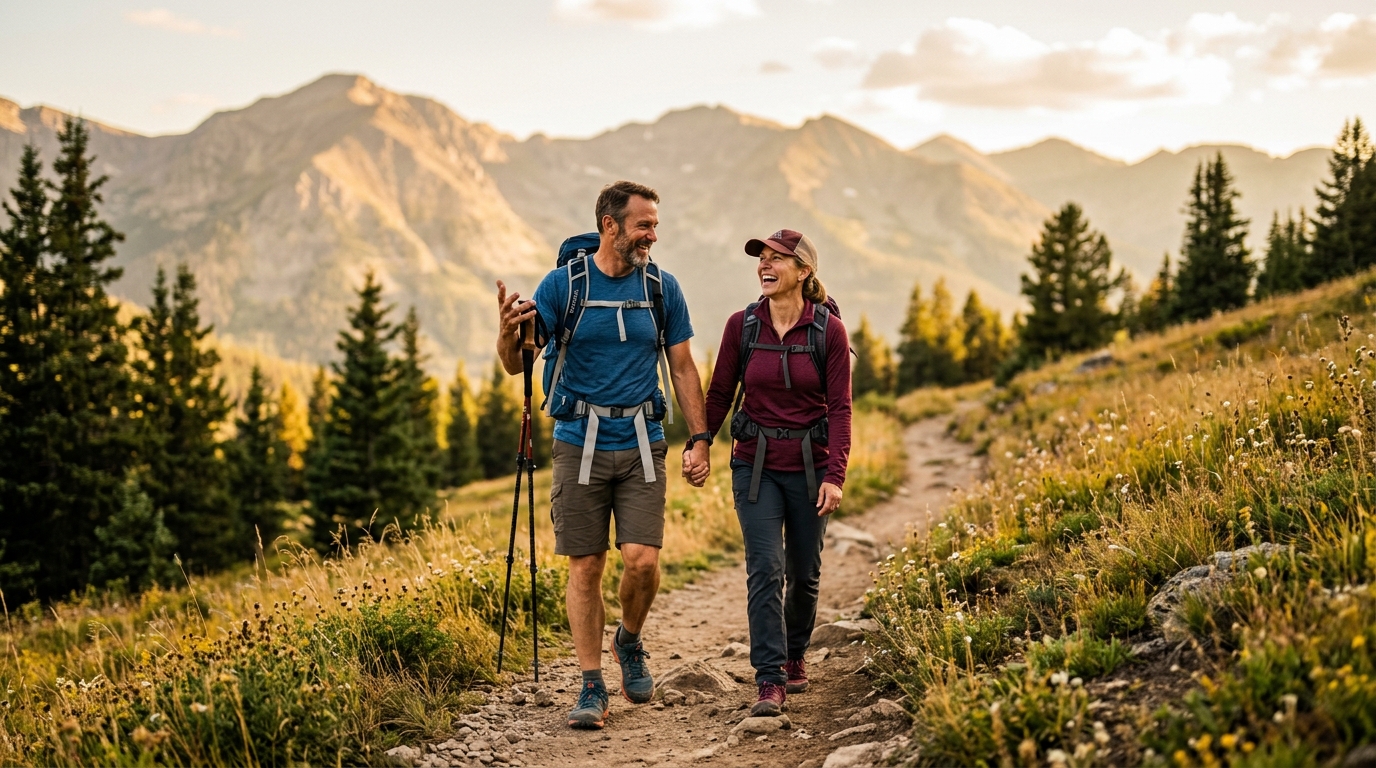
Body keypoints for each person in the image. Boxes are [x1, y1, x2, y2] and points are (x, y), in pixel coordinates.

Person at [496, 181, 713, 730]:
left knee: (643, 561)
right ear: (609, 225)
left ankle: (629, 640)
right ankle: (591, 685)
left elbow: (683, 367)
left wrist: (701, 437)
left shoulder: (662, 289)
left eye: (655, 225)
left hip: (643, 439)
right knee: (586, 565)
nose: (652, 235)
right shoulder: (563, 286)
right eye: (644, 225)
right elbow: (517, 363)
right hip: (578, 441)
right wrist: (505, 333)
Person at [702, 228, 851, 716]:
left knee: (804, 572)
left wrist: (836, 474)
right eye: (761, 258)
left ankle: (794, 655)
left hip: (811, 469)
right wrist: (701, 442)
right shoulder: (740, 326)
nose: (765, 265)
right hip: (755, 466)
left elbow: (841, 408)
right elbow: (720, 393)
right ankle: (769, 679)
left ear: (804, 272)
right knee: (765, 569)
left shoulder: (828, 331)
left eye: (778, 259)